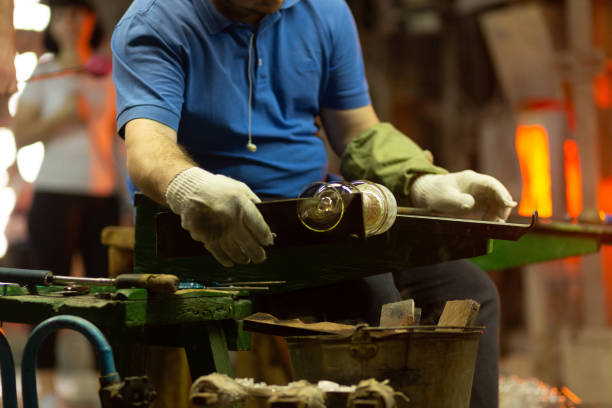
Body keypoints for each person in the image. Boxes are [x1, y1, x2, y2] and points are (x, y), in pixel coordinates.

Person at [111, 1, 516, 407]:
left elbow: (357, 129)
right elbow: (147, 150)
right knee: (374, 299)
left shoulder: (323, 11)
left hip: (311, 214)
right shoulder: (155, 23)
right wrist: (190, 186)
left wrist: (425, 181)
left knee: (467, 291)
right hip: (209, 230)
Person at [12, 0, 122, 403]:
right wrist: (59, 115)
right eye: (62, 14)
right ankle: (44, 383)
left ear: (92, 21)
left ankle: (107, 380)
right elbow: (21, 134)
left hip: (101, 192)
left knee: (104, 292)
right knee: (47, 288)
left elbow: (122, 140)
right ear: (53, 23)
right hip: (54, 190)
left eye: (78, 13)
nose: (70, 20)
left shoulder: (108, 71)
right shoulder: (44, 70)